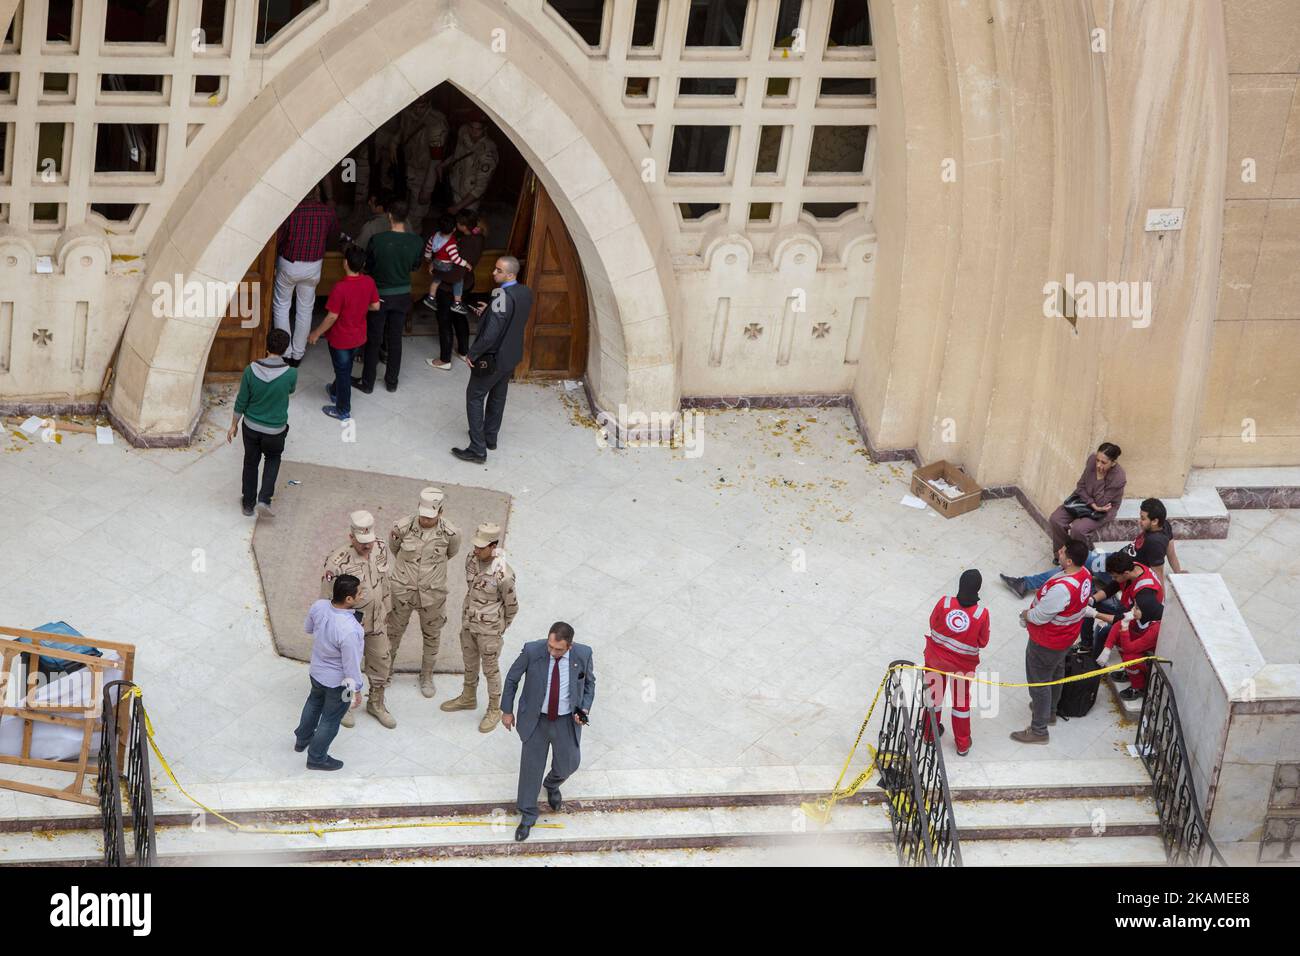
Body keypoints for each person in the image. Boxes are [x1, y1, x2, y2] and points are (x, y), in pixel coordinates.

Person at [501, 622, 596, 842]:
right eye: (551, 647)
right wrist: (507, 710)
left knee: (570, 763)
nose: (553, 652)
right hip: (536, 720)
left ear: (570, 646)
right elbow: (512, 679)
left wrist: (584, 708)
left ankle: (552, 784)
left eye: (559, 649)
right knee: (531, 769)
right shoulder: (533, 650)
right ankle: (527, 814)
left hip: (566, 720)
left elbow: (589, 684)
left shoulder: (584, 654)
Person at [1000, 497, 1179, 598]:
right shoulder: (1165, 526)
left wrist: (1158, 602)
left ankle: (1025, 584)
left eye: (1143, 518)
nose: (1139, 521)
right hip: (1114, 559)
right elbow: (1170, 549)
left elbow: (1157, 574)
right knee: (1082, 560)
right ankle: (1028, 583)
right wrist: (1178, 571)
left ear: (1155, 521)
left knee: (1075, 562)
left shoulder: (1155, 542)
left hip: (1120, 571)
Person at [1010, 539, 1092, 745]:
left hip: (1047, 641)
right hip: (1065, 638)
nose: (1059, 552)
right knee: (1056, 673)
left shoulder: (1062, 589)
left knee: (1039, 684)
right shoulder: (1085, 575)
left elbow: (1039, 617)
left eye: (1063, 552)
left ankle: (1039, 730)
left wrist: (1025, 613)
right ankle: (1050, 712)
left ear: (1070, 560)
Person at [452, 257, 533, 464]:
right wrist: (487, 311)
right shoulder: (525, 291)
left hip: (494, 358)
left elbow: (490, 335)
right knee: (498, 396)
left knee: (474, 396)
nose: (493, 273)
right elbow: (511, 317)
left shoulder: (500, 295)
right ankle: (490, 438)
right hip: (511, 355)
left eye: (498, 270)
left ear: (510, 275)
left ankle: (477, 449)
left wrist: (472, 354)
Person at [439, 522, 518, 732]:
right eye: (475, 546)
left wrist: (500, 627)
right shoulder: (471, 560)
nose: (476, 550)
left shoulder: (504, 575)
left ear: (494, 546)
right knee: (469, 663)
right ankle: (468, 696)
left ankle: (494, 709)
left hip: (489, 632)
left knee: (490, 670)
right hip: (469, 624)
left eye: (481, 547)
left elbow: (512, 607)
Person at [321, 511, 394, 728]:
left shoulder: (380, 547)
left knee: (382, 663)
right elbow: (328, 601)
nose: (367, 545)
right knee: (347, 668)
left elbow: (385, 582)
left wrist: (386, 610)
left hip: (377, 621)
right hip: (350, 627)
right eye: (362, 542)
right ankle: (345, 706)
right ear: (351, 537)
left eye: (369, 540)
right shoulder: (337, 562)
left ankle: (377, 704)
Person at [387, 488, 461, 699]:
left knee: (432, 636)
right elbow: (395, 549)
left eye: (431, 517)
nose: (426, 520)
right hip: (403, 591)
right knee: (393, 632)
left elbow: (451, 553)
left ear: (441, 511)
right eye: (423, 516)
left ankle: (426, 676)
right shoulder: (401, 527)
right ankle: (386, 670)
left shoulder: (451, 533)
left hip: (432, 595)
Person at [294, 573, 366, 771]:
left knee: (313, 702)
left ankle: (302, 739)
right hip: (338, 683)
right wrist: (356, 690)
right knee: (330, 718)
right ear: (348, 599)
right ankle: (317, 758)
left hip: (316, 671)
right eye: (359, 593)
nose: (363, 595)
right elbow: (351, 665)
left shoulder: (319, 606)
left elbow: (308, 629)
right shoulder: (350, 630)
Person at [227, 328, 297, 517]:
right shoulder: (291, 374)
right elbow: (290, 390)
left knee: (250, 463)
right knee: (273, 459)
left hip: (251, 427)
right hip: (276, 430)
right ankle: (264, 500)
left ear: (267, 346)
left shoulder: (250, 370)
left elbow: (242, 400)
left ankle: (248, 504)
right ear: (285, 349)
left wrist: (234, 424)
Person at [272, 188, 345, 365]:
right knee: (305, 309)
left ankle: (285, 352)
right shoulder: (327, 212)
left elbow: (279, 238)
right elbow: (334, 236)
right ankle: (297, 354)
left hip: (290, 263)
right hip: (313, 265)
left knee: (282, 306)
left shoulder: (291, 210)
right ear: (317, 193)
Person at [921, 570, 989, 757]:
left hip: (935, 660)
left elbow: (932, 624)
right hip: (962, 667)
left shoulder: (944, 603)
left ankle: (928, 735)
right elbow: (983, 642)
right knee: (961, 704)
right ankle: (962, 744)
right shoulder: (981, 614)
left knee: (933, 698)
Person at [358, 199, 424, 394]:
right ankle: (392, 382)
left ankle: (368, 382)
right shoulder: (416, 241)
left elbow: (368, 266)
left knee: (374, 339)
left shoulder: (378, 240)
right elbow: (415, 266)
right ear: (407, 217)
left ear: (389, 216)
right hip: (403, 295)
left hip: (380, 295)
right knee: (396, 339)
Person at [308, 245, 378, 421]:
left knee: (344, 373)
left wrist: (316, 333)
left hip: (341, 339)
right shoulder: (369, 281)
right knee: (344, 369)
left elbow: (332, 317)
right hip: (359, 336)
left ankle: (343, 410)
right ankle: (333, 391)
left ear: (345, 263)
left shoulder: (340, 288)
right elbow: (376, 306)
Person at [426, 211, 487, 370]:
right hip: (466, 284)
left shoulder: (464, 243)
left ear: (462, 226)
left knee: (444, 321)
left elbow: (456, 271)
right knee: (459, 315)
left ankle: (445, 359)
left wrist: (436, 272)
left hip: (449, 286)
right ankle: (463, 351)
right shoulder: (478, 238)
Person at [1047, 442, 1126, 554]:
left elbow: (1102, 503)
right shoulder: (1091, 460)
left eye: (1103, 462)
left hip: (1104, 509)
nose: (1098, 465)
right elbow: (1080, 486)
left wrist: (1100, 479)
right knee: (1056, 519)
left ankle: (1079, 559)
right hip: (1084, 499)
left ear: (1113, 463)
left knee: (1078, 530)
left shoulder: (1119, 478)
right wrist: (1091, 503)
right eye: (1098, 460)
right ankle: (1062, 554)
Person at [1085, 550, 1164, 658]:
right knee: (1087, 605)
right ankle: (1085, 646)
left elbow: (1122, 619)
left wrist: (1095, 614)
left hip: (1140, 619)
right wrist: (1092, 600)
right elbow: (1113, 587)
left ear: (1126, 573)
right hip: (1128, 608)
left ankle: (1096, 664)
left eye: (1115, 576)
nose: (1113, 579)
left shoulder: (1144, 594)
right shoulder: (1133, 567)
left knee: (1102, 631)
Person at [1091, 590, 1163, 701]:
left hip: (1150, 660)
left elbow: (1129, 649)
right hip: (1140, 649)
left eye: (1137, 608)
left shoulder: (1155, 629)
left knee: (1129, 658)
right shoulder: (1142, 617)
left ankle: (1139, 687)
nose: (1133, 610)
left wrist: (1125, 626)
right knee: (1119, 638)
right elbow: (1116, 626)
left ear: (1147, 610)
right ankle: (1130, 673)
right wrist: (1107, 648)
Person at [401, 95, 450, 226]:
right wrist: (395, 140)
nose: (418, 110)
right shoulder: (407, 114)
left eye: (421, 106)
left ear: (429, 103)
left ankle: (412, 239)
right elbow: (403, 132)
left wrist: (427, 189)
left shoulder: (436, 122)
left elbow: (436, 160)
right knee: (407, 208)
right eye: (415, 106)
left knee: (416, 214)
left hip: (424, 171)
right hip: (409, 167)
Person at [442, 116, 498, 215]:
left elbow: (479, 188)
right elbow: (458, 155)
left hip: (470, 197)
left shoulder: (488, 151)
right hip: (454, 187)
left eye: (478, 129)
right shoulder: (464, 133)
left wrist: (457, 207)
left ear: (485, 129)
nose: (473, 132)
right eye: (471, 127)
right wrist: (443, 164)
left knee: (466, 225)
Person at [420, 214, 472, 314]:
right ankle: (457, 303)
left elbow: (428, 249)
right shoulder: (451, 244)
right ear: (454, 229)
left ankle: (430, 297)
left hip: (436, 263)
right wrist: (466, 264)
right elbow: (456, 259)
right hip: (446, 266)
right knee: (458, 279)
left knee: (436, 279)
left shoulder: (434, 236)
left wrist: (428, 260)